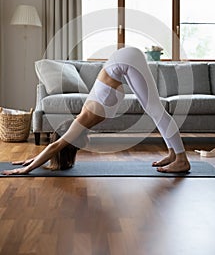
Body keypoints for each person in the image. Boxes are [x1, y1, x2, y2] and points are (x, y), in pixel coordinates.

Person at [1, 47, 190, 175]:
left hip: (126, 60)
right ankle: (173, 154)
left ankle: (181, 159)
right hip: (124, 61)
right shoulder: (86, 118)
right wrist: (32, 159)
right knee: (153, 111)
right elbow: (56, 145)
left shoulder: (83, 120)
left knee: (156, 110)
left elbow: (55, 146)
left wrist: (27, 168)